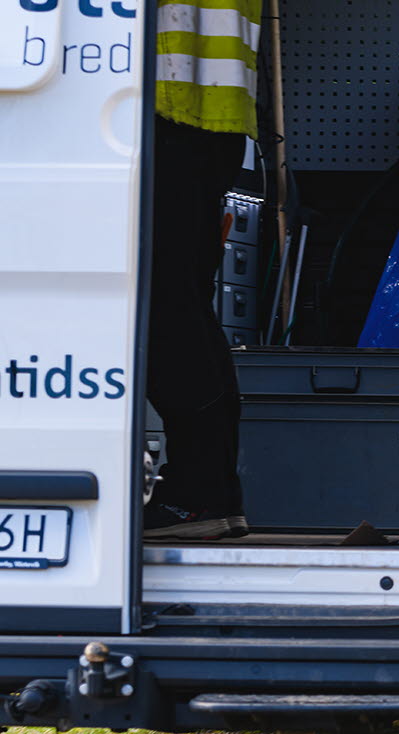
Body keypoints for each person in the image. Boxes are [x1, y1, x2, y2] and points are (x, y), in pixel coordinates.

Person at [143, 0, 263, 540]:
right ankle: (205, 491)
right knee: (180, 305)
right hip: (200, 107)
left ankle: (197, 493)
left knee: (163, 307)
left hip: (158, 101)